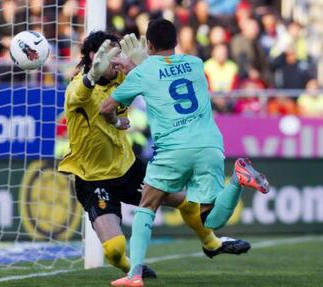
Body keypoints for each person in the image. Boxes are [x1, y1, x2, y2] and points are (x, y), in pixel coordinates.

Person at [58, 31, 251, 280]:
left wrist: (143, 63)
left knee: (185, 201)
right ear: (95, 57)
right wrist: (93, 76)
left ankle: (212, 244)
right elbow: (78, 95)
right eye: (111, 54)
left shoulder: (122, 78)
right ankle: (130, 268)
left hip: (127, 169)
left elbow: (163, 83)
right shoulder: (78, 86)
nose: (117, 60)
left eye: (119, 53)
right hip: (92, 179)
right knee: (114, 250)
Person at [101, 19, 270, 287]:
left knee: (147, 206)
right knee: (211, 219)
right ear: (177, 41)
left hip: (173, 149)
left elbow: (105, 107)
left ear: (149, 44)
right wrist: (139, 68)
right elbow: (165, 75)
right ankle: (237, 179)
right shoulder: (196, 63)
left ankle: (134, 276)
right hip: (210, 146)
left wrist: (117, 121)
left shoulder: (142, 74)